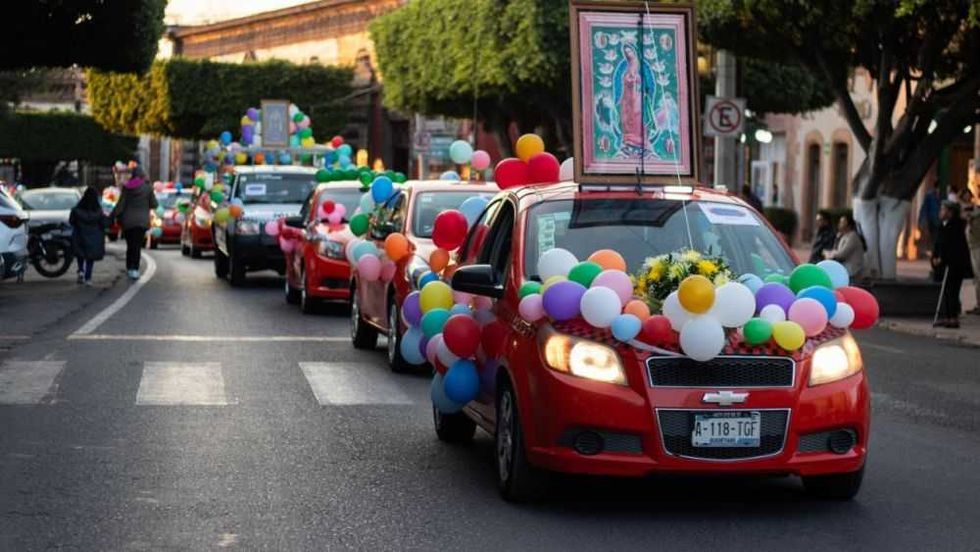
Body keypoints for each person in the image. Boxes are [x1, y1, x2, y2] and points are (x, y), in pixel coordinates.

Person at [110, 166, 157, 280]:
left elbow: (121, 205)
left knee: (130, 245)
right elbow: (154, 204)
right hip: (141, 221)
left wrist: (112, 215)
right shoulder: (147, 188)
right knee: (137, 245)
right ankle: (134, 268)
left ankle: (129, 267)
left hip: (128, 222)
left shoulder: (127, 188)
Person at [932, 201, 973, 328]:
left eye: (943, 210)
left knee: (953, 290)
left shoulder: (955, 227)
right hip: (945, 263)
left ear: (950, 213)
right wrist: (935, 257)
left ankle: (953, 317)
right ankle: (948, 316)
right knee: (947, 291)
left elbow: (952, 247)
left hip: (954, 264)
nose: (941, 212)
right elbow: (938, 244)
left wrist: (943, 259)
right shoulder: (942, 226)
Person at [69, 186, 108, 285]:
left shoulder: (77, 210)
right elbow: (103, 224)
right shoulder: (98, 212)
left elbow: (71, 221)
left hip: (79, 235)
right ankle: (88, 277)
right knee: (90, 258)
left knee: (80, 254)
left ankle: (81, 270)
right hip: (94, 237)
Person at [826, 213, 866, 278]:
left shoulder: (852, 237)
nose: (840, 224)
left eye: (842, 222)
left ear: (849, 225)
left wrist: (830, 254)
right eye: (840, 222)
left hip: (852, 269)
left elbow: (842, 254)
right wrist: (837, 239)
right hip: (845, 266)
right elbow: (836, 250)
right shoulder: (844, 236)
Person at [961, 189, 980, 315]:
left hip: (976, 246)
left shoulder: (976, 212)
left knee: (978, 276)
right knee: (977, 277)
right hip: (972, 246)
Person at [919, 180, 941, 254]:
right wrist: (922, 220)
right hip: (932, 220)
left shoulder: (944, 196)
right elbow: (924, 208)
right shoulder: (930, 195)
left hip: (940, 220)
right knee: (934, 236)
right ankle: (934, 252)